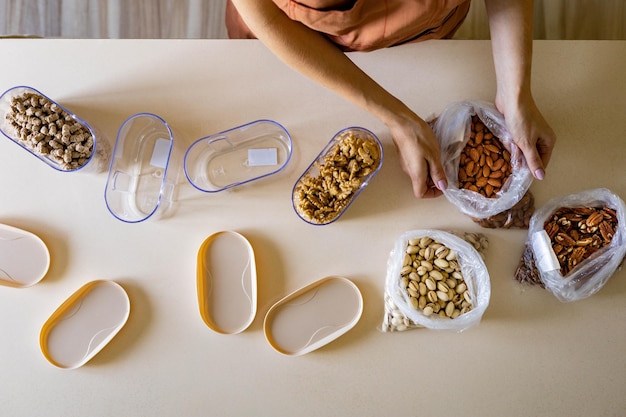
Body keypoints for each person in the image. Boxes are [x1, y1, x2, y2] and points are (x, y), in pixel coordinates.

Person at [226, 0, 556, 198]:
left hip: (425, 38)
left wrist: (515, 94)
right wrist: (395, 117)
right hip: (306, 44)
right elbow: (266, 16)